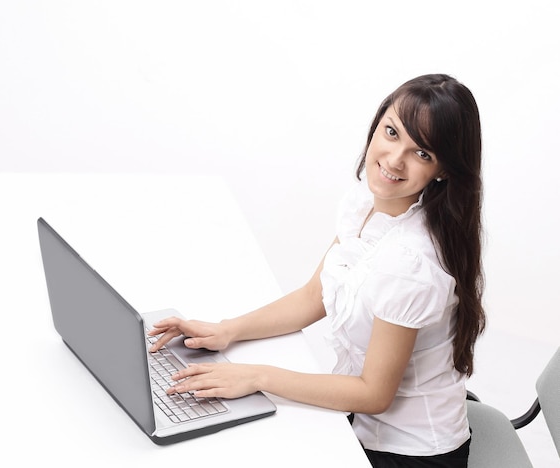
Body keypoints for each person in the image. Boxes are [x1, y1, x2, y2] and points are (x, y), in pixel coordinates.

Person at [148, 73, 486, 467]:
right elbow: (315, 296)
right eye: (392, 133)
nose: (395, 160)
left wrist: (257, 377)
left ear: (443, 170)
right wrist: (227, 330)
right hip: (360, 422)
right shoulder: (370, 205)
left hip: (405, 452)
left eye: (422, 154)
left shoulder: (409, 263)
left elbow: (375, 393)